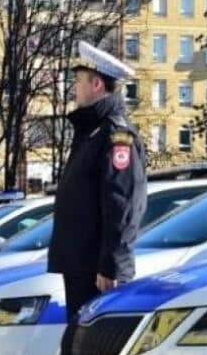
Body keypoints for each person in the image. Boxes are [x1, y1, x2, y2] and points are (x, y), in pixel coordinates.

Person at [49, 40, 146, 325]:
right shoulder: (91, 132)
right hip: (83, 265)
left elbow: (123, 204)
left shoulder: (116, 136)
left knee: (96, 352)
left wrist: (112, 266)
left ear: (96, 85)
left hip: (100, 271)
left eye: (78, 81)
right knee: (80, 351)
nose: (73, 88)